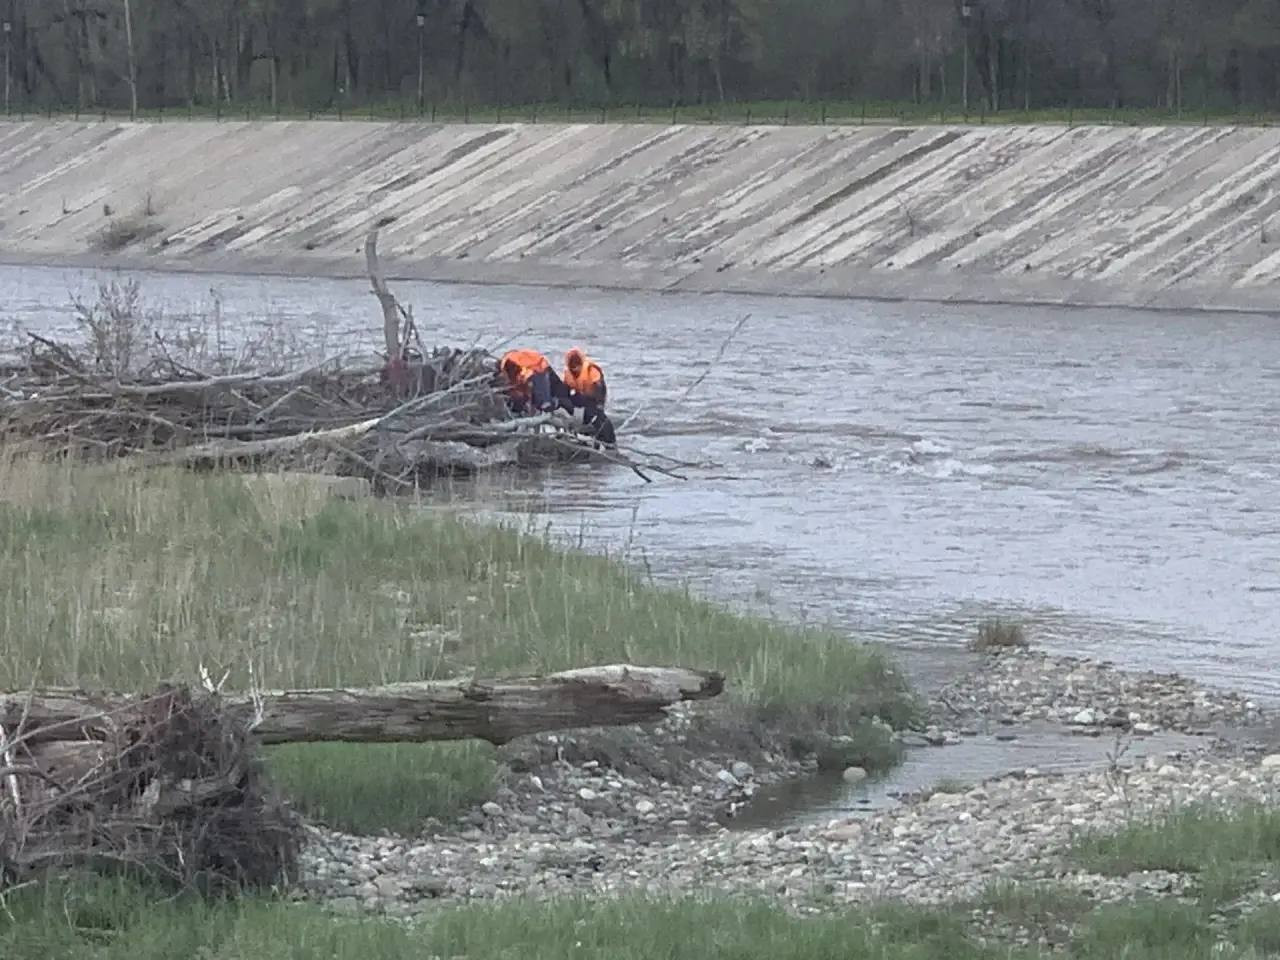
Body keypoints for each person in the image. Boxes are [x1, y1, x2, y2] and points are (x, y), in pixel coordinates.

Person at [562, 347, 616, 446]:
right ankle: (575, 431)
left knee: (597, 417)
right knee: (566, 404)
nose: (575, 370)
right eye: (572, 368)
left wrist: (600, 404)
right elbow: (565, 390)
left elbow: (600, 386)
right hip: (580, 397)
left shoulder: (591, 369)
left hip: (594, 398)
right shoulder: (568, 373)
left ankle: (606, 439)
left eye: (577, 367)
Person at [497, 349, 571, 415]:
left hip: (539, 370)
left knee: (544, 404)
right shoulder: (512, 360)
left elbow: (523, 379)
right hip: (541, 367)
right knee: (557, 393)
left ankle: (560, 403)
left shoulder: (511, 364)